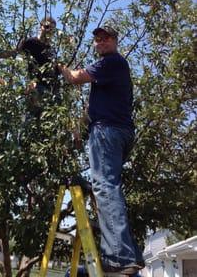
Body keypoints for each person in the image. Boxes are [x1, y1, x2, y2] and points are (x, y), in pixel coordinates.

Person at [58, 25, 145, 275]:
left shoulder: (112, 62)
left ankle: (119, 257)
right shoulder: (108, 76)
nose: (101, 42)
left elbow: (74, 78)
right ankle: (130, 254)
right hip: (116, 132)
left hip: (108, 132)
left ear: (115, 41)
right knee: (108, 188)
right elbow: (91, 112)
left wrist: (59, 66)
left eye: (106, 38)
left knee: (106, 188)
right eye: (97, 39)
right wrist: (78, 133)